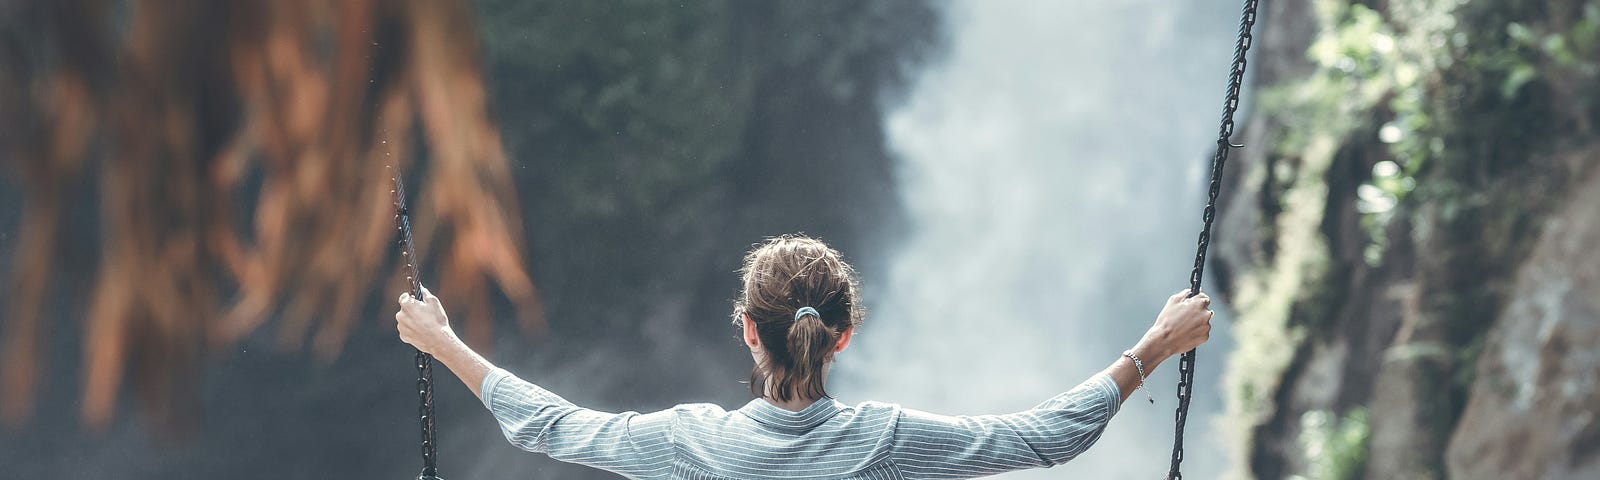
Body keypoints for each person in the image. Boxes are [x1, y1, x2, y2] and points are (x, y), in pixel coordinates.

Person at [395, 234, 1213, 479]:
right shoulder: (889, 443)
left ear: (747, 329)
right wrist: (1151, 347)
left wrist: (444, 342)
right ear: (843, 336)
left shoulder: (693, 445)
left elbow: (551, 427)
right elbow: (1046, 437)